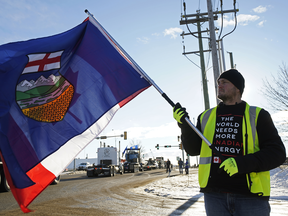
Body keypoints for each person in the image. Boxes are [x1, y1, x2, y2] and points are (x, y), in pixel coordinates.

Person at [173, 69, 286, 216]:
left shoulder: (258, 115)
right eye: (218, 83)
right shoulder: (206, 116)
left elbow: (277, 153)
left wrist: (241, 164)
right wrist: (185, 126)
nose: (219, 85)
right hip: (214, 195)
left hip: (250, 197)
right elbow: (193, 149)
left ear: (238, 87)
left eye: (224, 82)